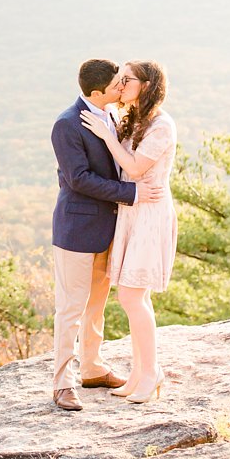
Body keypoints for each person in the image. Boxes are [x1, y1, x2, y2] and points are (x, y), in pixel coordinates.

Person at [49, 59, 164, 411]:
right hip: (77, 230)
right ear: (97, 93)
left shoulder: (113, 115)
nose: (123, 88)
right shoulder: (67, 124)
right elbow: (78, 179)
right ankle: (62, 382)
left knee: (96, 305)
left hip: (110, 228)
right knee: (71, 308)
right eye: (118, 84)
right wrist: (131, 194)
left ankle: (93, 367)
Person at [79, 60, 177, 404]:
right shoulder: (135, 120)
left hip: (149, 213)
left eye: (128, 79)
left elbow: (135, 167)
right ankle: (140, 372)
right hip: (131, 213)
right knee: (135, 296)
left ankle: (151, 373)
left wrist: (106, 135)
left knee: (132, 296)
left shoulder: (162, 125)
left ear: (147, 85)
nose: (121, 84)